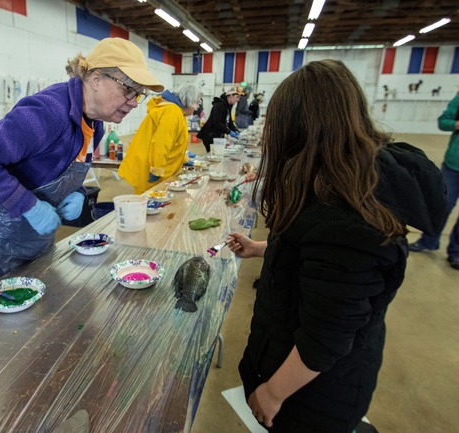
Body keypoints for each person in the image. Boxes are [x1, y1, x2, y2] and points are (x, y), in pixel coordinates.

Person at [230, 59, 446, 433]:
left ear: (302, 130)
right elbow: (314, 255)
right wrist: (261, 247)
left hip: (314, 396)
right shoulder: (334, 183)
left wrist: (273, 394)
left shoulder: (347, 215)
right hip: (308, 371)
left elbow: (326, 334)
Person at [0, 37, 164, 303]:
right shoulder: (47, 112)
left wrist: (78, 193)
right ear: (96, 79)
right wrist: (28, 205)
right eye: (128, 89)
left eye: (138, 94)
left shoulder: (93, 124)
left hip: (32, 242)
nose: (133, 102)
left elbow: (59, 169)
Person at [118, 83, 201, 194]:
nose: (198, 107)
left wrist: (184, 160)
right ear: (188, 101)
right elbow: (161, 144)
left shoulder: (175, 112)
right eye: (197, 102)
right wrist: (157, 170)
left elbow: (174, 143)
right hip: (150, 168)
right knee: (148, 202)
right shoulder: (172, 112)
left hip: (153, 165)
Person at [408, 93, 459, 270]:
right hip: (454, 164)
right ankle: (428, 240)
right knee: (442, 203)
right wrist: (456, 124)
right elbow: (443, 121)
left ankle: (456, 251)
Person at [196, 86, 242, 153]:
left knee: (219, 154)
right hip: (210, 135)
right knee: (214, 155)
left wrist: (235, 130)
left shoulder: (228, 106)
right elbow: (216, 122)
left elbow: (229, 121)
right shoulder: (219, 105)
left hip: (218, 135)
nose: (238, 100)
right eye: (237, 97)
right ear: (230, 96)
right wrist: (229, 131)